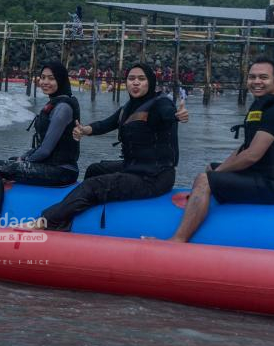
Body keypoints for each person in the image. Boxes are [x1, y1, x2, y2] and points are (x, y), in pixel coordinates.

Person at [33, 63, 189, 231]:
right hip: (134, 167)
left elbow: (168, 114)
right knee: (94, 169)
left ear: (150, 82)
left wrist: (177, 116)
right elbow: (105, 124)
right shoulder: (129, 108)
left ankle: (48, 221)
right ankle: (79, 211)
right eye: (131, 78)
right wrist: (85, 130)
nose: (135, 83)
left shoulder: (161, 104)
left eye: (141, 79)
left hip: (155, 177)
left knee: (93, 185)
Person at [168, 57, 274, 243]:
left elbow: (251, 156)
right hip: (261, 175)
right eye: (252, 77)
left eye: (263, 77)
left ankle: (178, 239)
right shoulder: (262, 105)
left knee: (205, 179)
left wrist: (215, 176)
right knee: (210, 168)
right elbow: (245, 148)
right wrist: (217, 171)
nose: (256, 82)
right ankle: (203, 207)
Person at [0, 62, 81, 228]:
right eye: (43, 77)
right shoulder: (57, 103)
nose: (45, 82)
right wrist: (22, 157)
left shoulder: (63, 108)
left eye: (51, 78)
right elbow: (44, 146)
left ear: (61, 80)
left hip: (61, 171)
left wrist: (24, 161)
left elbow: (45, 151)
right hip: (57, 166)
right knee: (11, 160)